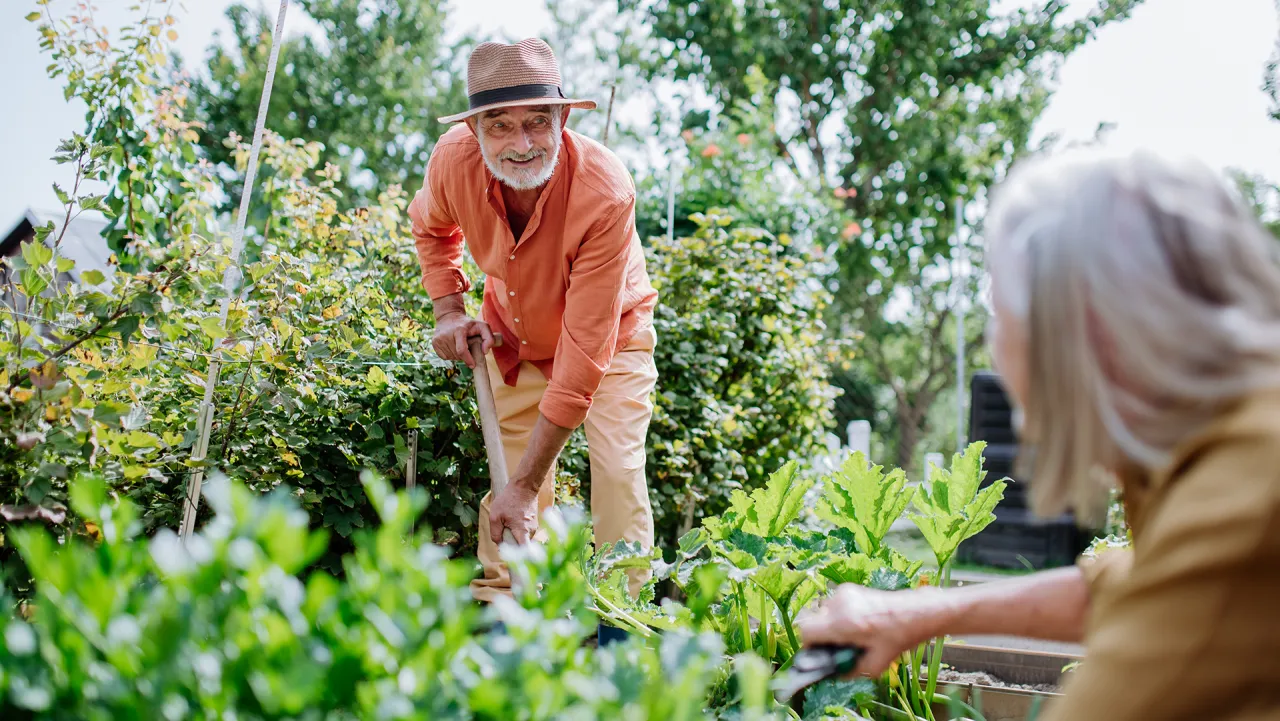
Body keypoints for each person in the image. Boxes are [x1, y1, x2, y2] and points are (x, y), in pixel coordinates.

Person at [797, 148, 1280, 720]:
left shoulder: (1246, 502)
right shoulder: (1220, 451)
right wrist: (912, 615)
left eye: (999, 315)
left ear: (1079, 331)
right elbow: (1129, 592)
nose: (995, 349)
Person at [408, 38, 660, 639]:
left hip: (610, 341)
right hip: (514, 338)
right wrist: (448, 308)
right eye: (499, 126)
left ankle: (622, 622)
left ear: (563, 118)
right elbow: (430, 227)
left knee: (617, 469)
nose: (521, 144)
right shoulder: (452, 163)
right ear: (474, 129)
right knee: (511, 479)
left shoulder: (605, 190)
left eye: (536, 123)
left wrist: (523, 487)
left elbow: (584, 352)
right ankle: (506, 613)